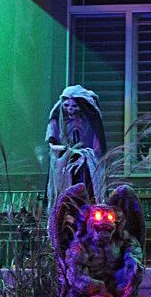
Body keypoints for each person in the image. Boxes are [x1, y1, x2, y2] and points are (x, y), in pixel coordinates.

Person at [45, 86, 107, 214]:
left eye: (74, 106)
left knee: (87, 189)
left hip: (86, 162)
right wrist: (61, 149)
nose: (70, 109)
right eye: (67, 106)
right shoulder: (58, 118)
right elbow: (52, 137)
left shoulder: (90, 119)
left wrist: (92, 155)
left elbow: (97, 143)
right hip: (65, 161)